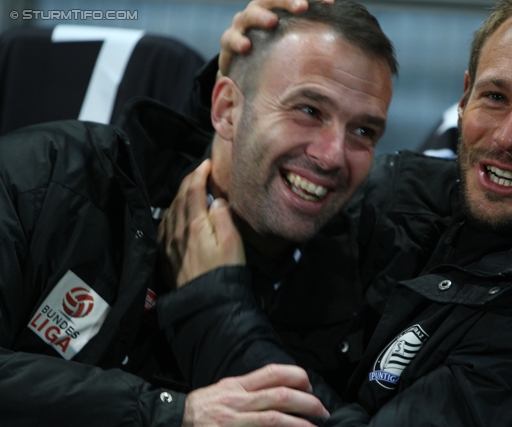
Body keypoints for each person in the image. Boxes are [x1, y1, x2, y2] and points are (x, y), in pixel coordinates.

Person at [166, 0, 512, 425]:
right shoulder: (420, 194)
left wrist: (214, 307)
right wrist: (247, 101)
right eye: (495, 97)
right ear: (465, 94)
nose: (508, 137)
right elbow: (250, 199)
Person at [1, 1, 455, 426]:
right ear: (225, 108)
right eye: (309, 109)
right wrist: (171, 413)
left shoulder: (363, 285)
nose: (334, 155)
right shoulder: (52, 180)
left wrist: (217, 307)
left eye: (363, 130)